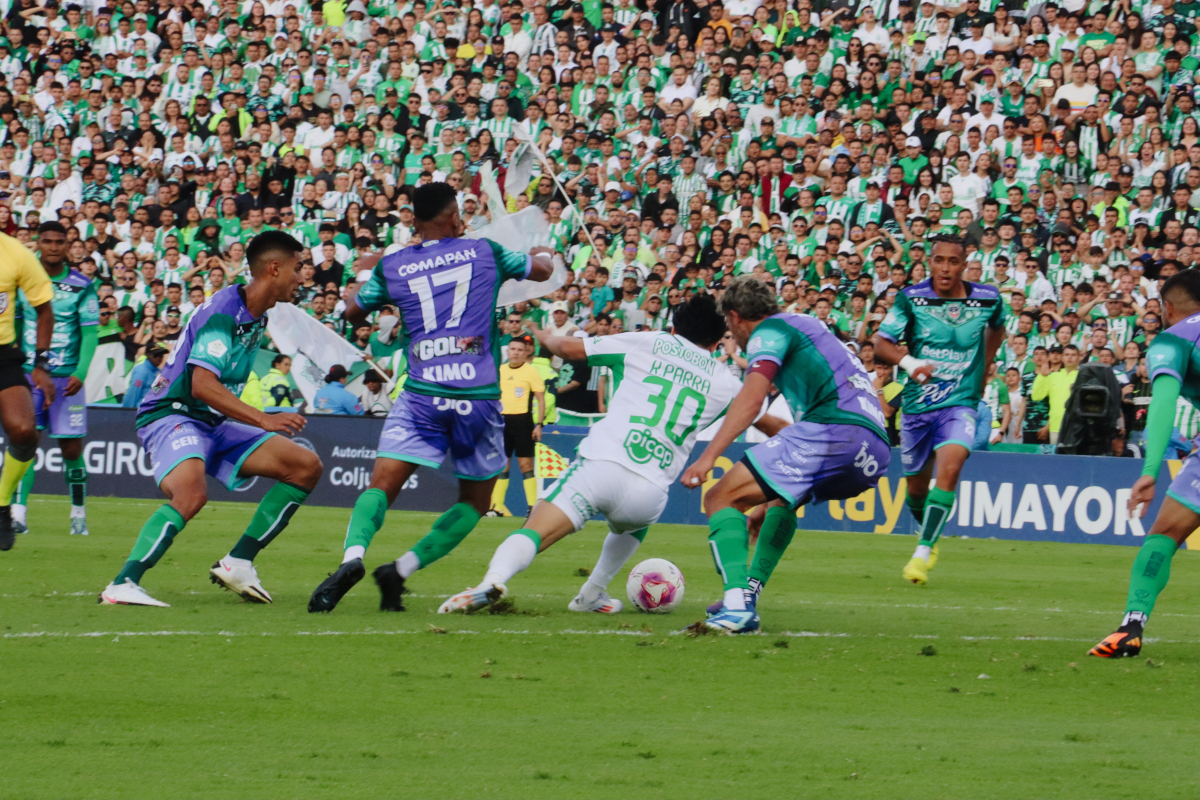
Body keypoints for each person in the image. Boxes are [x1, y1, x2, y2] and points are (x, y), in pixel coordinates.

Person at [440, 294, 781, 614]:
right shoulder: (726, 381)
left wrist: (542, 334)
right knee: (632, 526)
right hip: (651, 491)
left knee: (535, 530)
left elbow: (567, 347)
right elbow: (768, 424)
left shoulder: (649, 341)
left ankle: (492, 580)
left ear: (674, 327)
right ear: (717, 340)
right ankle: (592, 593)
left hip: (602, 464)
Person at [307, 182, 554, 614]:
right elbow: (542, 271)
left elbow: (351, 312)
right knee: (475, 503)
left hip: (421, 393)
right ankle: (400, 570)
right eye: (459, 211)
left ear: (414, 222)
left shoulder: (395, 264)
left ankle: (352, 559)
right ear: (453, 216)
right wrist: (546, 247)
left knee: (381, 486)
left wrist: (368, 277)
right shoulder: (485, 251)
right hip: (476, 398)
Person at [98, 231, 324, 608]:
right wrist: (262, 419)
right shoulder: (224, 312)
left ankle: (238, 562)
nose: (303, 276)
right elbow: (202, 384)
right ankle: (122, 584)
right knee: (191, 493)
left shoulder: (257, 314)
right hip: (172, 412)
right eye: (298, 267)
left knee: (305, 466)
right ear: (274, 268)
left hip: (211, 420)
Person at [679, 278, 890, 633]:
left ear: (734, 317)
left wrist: (708, 457)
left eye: (729, 327)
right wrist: (756, 417)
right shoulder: (807, 327)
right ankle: (748, 593)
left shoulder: (769, 332)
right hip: (872, 451)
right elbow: (786, 427)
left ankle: (736, 607)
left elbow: (753, 397)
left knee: (720, 498)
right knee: (773, 506)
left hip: (837, 432)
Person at [873, 236, 1007, 587]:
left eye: (953, 261)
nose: (945, 268)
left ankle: (923, 551)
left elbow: (997, 328)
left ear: (965, 264)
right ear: (928, 262)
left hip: (961, 401)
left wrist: (985, 365)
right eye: (938, 260)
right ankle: (926, 531)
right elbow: (880, 343)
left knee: (952, 464)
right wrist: (911, 361)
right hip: (918, 406)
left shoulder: (988, 299)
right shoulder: (911, 298)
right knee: (916, 492)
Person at [1090, 270, 1200, 658]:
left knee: (1164, 534)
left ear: (1168, 308)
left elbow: (1163, 405)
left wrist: (1150, 472)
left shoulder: (1173, 340)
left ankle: (1131, 627)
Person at [12, 222, 99, 536]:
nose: (52, 247)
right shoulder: (23, 282)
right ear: (37, 243)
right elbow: (17, 328)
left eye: (58, 242)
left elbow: (90, 334)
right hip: (28, 377)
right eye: (46, 241)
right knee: (24, 444)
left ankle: (78, 513)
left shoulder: (82, 284)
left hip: (67, 380)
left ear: (67, 245)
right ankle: (18, 515)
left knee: (71, 450)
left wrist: (80, 372)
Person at [0, 226, 55, 551]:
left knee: (24, 432)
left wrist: (41, 363)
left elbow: (44, 308)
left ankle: (2, 503)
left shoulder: (15, 252)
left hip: (3, 354)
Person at [490, 334, 546, 517]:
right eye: (513, 349)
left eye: (520, 350)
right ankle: (496, 506)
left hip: (523, 422)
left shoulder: (531, 372)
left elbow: (540, 399)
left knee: (525, 464)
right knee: (502, 465)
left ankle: (532, 506)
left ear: (525, 353)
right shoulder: (500, 370)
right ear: (507, 351)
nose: (516, 353)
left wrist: (539, 424)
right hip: (502, 422)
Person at [122, 344, 168, 409]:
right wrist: (127, 412)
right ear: (148, 355)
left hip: (151, 411)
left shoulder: (159, 372)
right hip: (139, 411)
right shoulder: (141, 370)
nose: (159, 358)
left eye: (161, 355)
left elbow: (156, 393)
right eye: (156, 355)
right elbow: (133, 393)